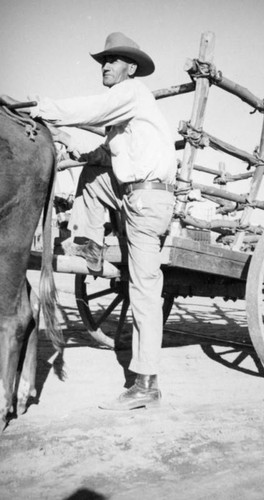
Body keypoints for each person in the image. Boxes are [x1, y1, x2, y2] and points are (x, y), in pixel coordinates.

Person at [22, 32, 177, 410]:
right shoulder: (125, 124)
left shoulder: (132, 94)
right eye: (103, 61)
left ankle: (147, 384)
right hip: (130, 194)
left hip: (148, 200)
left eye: (113, 60)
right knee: (92, 174)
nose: (105, 66)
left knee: (143, 292)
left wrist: (44, 108)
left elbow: (92, 108)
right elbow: (97, 154)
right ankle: (89, 245)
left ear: (131, 68)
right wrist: (62, 138)